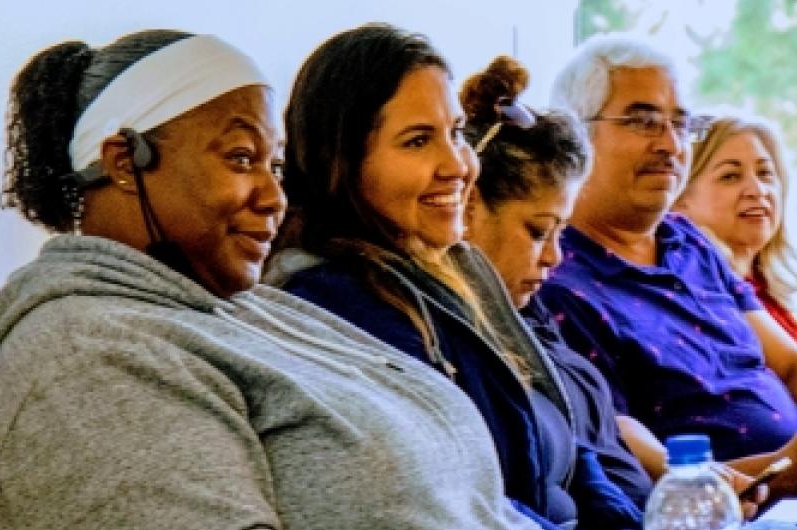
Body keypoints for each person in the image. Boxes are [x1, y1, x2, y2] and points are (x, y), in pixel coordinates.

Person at [0, 30, 539, 529]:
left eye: (274, 165)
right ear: (125, 162)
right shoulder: (88, 364)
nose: (275, 197)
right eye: (242, 159)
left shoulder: (247, 311)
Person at [261, 25, 628, 530]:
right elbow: (450, 499)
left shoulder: (455, 270)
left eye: (455, 133)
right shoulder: (331, 305)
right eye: (417, 141)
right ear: (342, 162)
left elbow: (562, 434)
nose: (456, 164)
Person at [536, 33, 797, 492]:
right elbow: (625, 455)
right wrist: (786, 467)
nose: (670, 145)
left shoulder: (687, 242)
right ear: (576, 133)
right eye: (644, 122)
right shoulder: (555, 277)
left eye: (681, 124)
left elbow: (793, 365)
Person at [674, 115, 797, 386]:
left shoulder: (765, 294)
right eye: (730, 176)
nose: (757, 190)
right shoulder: (699, 302)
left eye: (765, 173)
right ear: (679, 199)